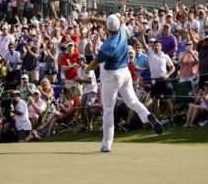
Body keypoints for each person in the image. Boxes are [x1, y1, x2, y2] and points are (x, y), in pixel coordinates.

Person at [83, 14, 163, 153]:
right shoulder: (122, 30)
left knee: (108, 110)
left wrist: (86, 69)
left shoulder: (108, 45)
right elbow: (108, 23)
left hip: (111, 76)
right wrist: (92, 19)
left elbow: (95, 63)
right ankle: (147, 116)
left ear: (107, 28)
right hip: (125, 73)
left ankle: (106, 144)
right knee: (132, 101)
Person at [140, 29, 176, 125]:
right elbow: (143, 43)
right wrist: (142, 34)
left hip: (164, 81)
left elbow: (172, 67)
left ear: (161, 47)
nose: (156, 47)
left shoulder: (165, 56)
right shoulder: (150, 53)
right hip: (154, 81)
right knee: (156, 101)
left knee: (168, 101)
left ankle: (172, 119)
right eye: (154, 45)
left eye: (158, 45)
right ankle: (159, 121)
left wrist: (167, 74)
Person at [75, 55, 97, 131]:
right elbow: (81, 83)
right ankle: (86, 125)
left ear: (84, 61)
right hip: (86, 90)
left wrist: (79, 81)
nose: (79, 62)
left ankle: (90, 124)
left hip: (92, 89)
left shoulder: (89, 68)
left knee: (88, 106)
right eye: (78, 61)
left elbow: (90, 81)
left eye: (81, 60)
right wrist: (78, 80)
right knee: (81, 108)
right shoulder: (78, 70)